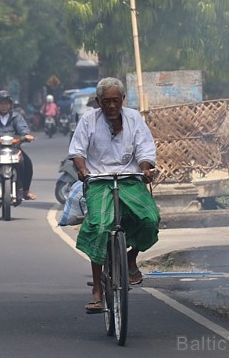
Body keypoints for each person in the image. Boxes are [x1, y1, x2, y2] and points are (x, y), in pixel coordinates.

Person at [67, 77, 160, 314]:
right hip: (98, 181)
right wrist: (82, 169)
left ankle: (131, 259)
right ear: (98, 102)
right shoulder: (88, 120)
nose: (110, 106)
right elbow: (77, 150)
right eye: (105, 101)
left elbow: (145, 149)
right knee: (98, 227)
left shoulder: (134, 118)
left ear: (122, 100)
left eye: (115, 101)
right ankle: (97, 289)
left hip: (130, 178)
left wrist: (146, 168)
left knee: (150, 218)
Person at [0, 90, 37, 202]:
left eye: (6, 104)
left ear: (10, 105)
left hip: (14, 149)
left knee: (27, 163)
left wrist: (26, 135)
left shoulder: (17, 117)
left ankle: (25, 191)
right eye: (2, 104)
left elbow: (23, 129)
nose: (4, 106)